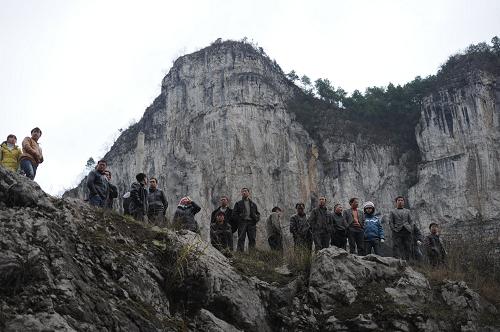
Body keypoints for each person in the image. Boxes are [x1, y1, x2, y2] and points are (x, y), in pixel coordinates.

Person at [389, 196, 422, 260]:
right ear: (396, 202)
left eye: (402, 200)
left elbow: (411, 221)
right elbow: (391, 222)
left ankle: (407, 261)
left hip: (407, 230)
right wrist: (394, 229)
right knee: (396, 246)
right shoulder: (392, 211)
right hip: (397, 231)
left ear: (404, 202)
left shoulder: (407, 211)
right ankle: (397, 260)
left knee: (408, 246)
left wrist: (411, 228)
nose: (400, 201)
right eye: (399, 200)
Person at [233, 187, 260, 252]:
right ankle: (240, 254)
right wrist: (239, 220)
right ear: (241, 193)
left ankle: (252, 254)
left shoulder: (253, 204)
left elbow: (258, 213)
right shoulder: (238, 203)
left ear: (248, 193)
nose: (244, 192)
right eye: (243, 191)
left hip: (251, 223)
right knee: (241, 238)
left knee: (252, 239)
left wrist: (256, 219)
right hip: (242, 223)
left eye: (245, 191)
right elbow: (234, 214)